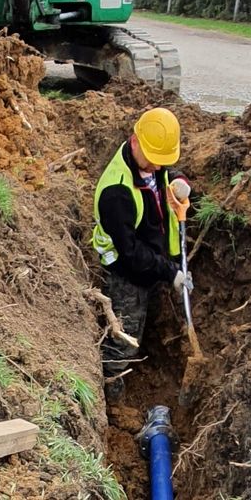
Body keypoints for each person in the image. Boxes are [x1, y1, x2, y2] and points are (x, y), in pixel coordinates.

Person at [92, 107, 191, 400]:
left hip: (151, 259)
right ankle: (113, 394)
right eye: (155, 161)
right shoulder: (116, 193)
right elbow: (131, 253)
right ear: (135, 141)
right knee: (124, 341)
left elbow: (162, 173)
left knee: (141, 327)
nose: (158, 168)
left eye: (164, 163)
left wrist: (178, 180)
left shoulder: (148, 163)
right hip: (126, 272)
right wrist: (169, 271)